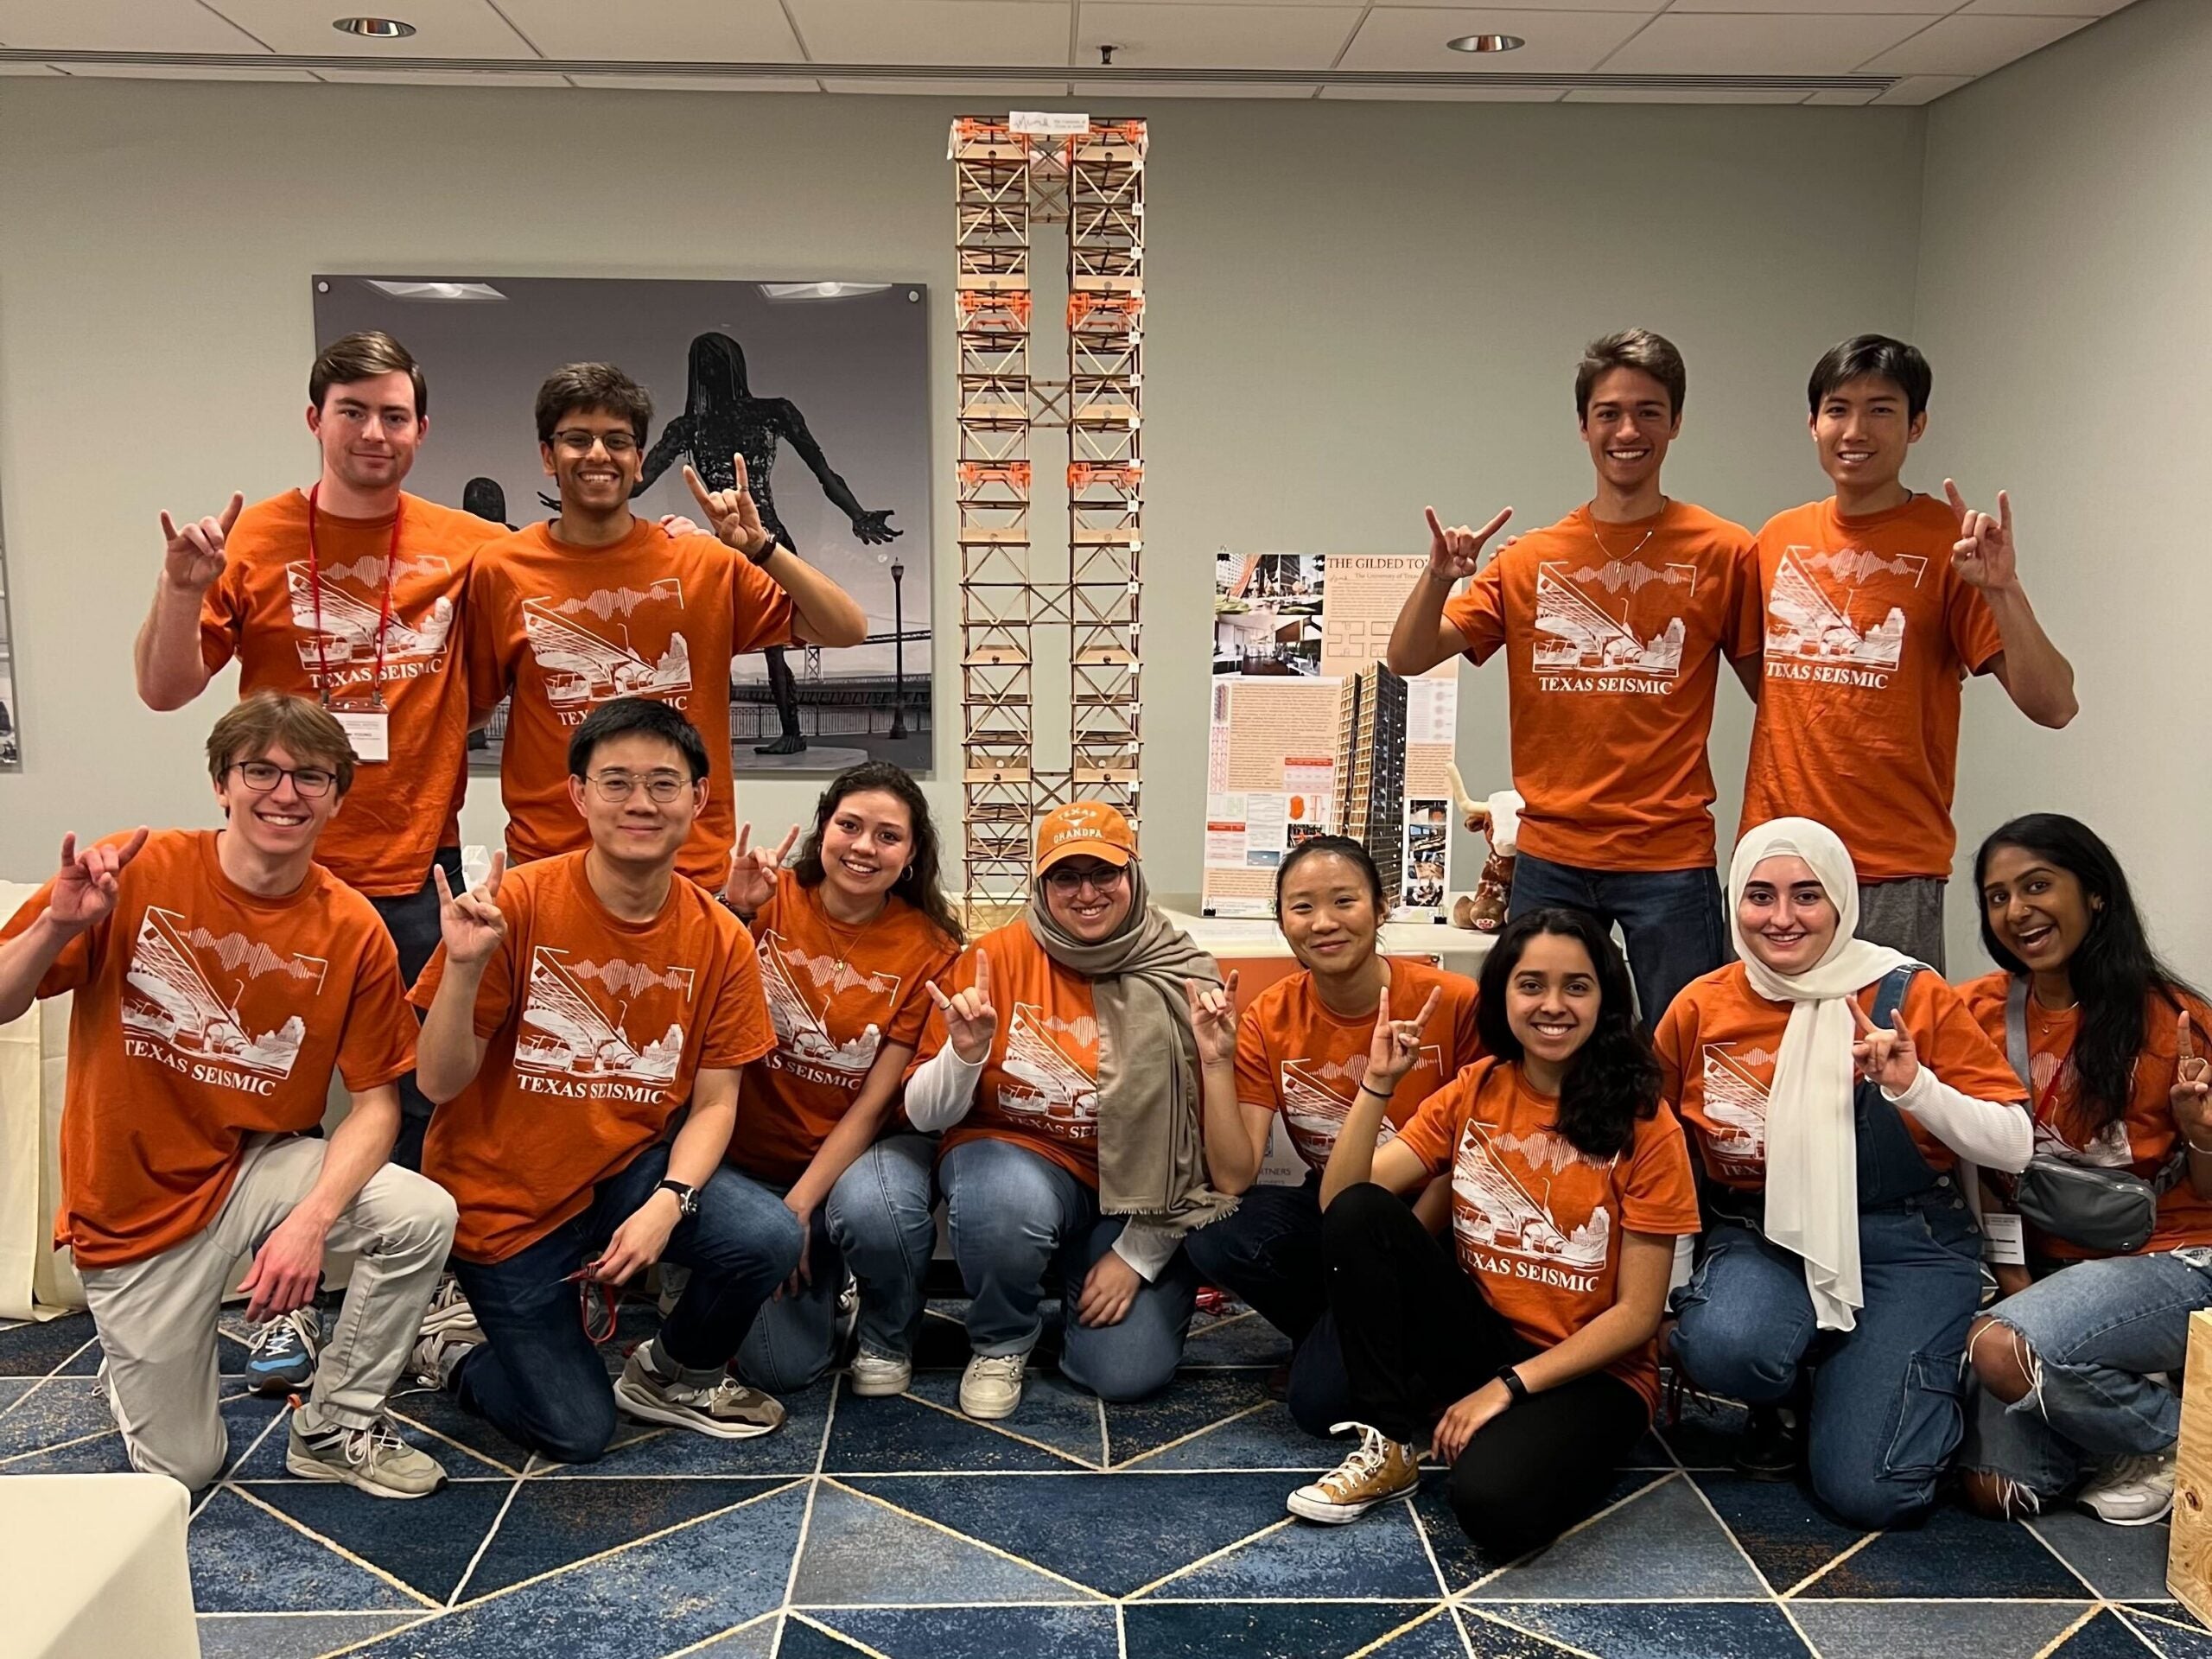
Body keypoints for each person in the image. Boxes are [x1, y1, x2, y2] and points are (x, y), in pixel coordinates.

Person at [130, 333, 496, 1392]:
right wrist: (180, 587)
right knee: (270, 1094)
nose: (374, 432)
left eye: (394, 415)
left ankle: (420, 1296)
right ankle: (276, 1304)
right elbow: (164, 688)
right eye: (352, 412)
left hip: (417, 873)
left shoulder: (470, 546)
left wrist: (660, 541)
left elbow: (573, 583)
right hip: (277, 872)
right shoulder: (252, 538)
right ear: (314, 421)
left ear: (421, 430)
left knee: (426, 1101)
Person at [0, 694, 458, 1497]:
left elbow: (379, 1104)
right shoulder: (139, 870)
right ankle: (138, 1371)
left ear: (337, 798)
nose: (285, 794)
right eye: (261, 771)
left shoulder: (352, 926)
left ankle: (335, 1425)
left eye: (311, 776)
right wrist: (57, 929)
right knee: (186, 1468)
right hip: (132, 1206)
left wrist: (310, 1224)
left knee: (419, 1213)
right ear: (222, 784)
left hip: (255, 1171)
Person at [407, 698, 797, 1461]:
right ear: (579, 795)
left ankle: (673, 1373)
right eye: (616, 782)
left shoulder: (719, 936)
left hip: (622, 1174)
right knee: (575, 1431)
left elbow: (716, 1104)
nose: (640, 803)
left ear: (698, 799)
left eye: (663, 783)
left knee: (768, 1234)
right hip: (505, 1204)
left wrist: (668, 1204)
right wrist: (463, 969)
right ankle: (451, 1350)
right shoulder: (517, 905)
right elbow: (438, 1084)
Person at [1284, 909, 1700, 1555]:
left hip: (1596, 1371)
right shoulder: (1476, 1088)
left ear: (1606, 1000)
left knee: (1492, 1508)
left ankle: (1541, 1434)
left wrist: (1506, 1388)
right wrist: (1377, 1084)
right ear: (1503, 994)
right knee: (1363, 1213)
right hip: (1482, 1335)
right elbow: (1342, 1200)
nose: (1552, 1005)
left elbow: (1637, 1316)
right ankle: (1390, 1444)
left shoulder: (1647, 1124)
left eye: (1576, 987)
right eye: (1531, 985)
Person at [1656, 817, 2031, 1527]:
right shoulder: (1701, 1005)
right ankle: (1804, 1389)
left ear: (1841, 901)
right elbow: (1664, 1152)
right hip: (1766, 1236)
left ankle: (1902, 1381)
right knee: (1725, 1346)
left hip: (1905, 1243)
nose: (1782, 918)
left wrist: (1915, 1087)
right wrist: (1671, 1290)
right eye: (1760, 896)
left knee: (1873, 1494)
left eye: (1807, 895)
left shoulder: (1908, 992)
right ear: (1736, 903)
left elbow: (2013, 1144)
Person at [1387, 329, 1760, 1028]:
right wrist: (1438, 578)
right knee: (1542, 1047)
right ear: (1584, 426)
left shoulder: (1724, 551)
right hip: (1551, 855)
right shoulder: (1531, 558)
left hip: (1670, 854)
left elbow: (1777, 694)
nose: (1628, 431)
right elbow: (1408, 657)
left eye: (1649, 412)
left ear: (1676, 422)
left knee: (1685, 1045)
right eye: (1609, 413)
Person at [1738, 334, 2077, 968]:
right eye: (1838, 409)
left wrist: (2003, 590)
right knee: (1765, 1035)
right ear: (1812, 423)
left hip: (1893, 867)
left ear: (1916, 425)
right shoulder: (1777, 538)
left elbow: (2054, 705)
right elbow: (1772, 683)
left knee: (1893, 1034)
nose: (1855, 430)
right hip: (1778, 861)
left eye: (1882, 410)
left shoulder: (1951, 543)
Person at [464, 362, 867, 893]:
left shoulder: (702, 562)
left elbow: (845, 628)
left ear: (638, 461)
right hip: (549, 869)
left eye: (617, 441)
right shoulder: (501, 569)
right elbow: (473, 708)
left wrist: (761, 547)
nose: (598, 454)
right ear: (547, 456)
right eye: (578, 439)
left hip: (689, 870)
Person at [902, 802, 1232, 1420]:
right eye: (1066, 877)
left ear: (1133, 874)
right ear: (1042, 884)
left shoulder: (1185, 974)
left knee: (1125, 1373)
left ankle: (1081, 1281)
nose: (1087, 893)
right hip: (1021, 1163)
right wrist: (965, 1055)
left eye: (1104, 873)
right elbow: (924, 1116)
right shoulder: (994, 959)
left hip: (1135, 1199)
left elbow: (1199, 1142)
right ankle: (1001, 1340)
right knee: (1002, 1200)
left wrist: (1138, 1255)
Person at [1956, 815, 2212, 1527]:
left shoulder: (2175, 1021)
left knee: (2001, 1347)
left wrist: (2203, 1139)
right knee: (1997, 1492)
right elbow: (1983, 1170)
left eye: (2037, 886)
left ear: (2095, 893)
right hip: (2050, 1269)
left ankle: (2177, 1441)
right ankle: (2112, 1405)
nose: (2017, 911)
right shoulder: (1974, 1014)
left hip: (2177, 1259)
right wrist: (2014, 1281)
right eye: (1998, 897)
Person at [1185, 836, 1483, 1431]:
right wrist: (1216, 1062)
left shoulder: (1452, 1002)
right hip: (1335, 1202)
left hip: (1440, 1218)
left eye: (1344, 901)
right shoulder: (1271, 1016)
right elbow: (1235, 1177)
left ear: (1381, 908)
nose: (1323, 922)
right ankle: (1350, 1330)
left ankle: (1398, 1347)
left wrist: (1391, 1243)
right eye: (1302, 907)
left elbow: (1476, 1152)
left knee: (1318, 1404)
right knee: (1215, 1231)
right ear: (1282, 923)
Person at [718, 762, 963, 1398]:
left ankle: (886, 1328)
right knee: (782, 1370)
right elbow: (698, 1023)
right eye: (849, 826)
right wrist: (733, 911)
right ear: (823, 828)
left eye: (888, 836)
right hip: (748, 1160)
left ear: (911, 854)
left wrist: (797, 1208)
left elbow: (875, 1102)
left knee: (872, 1209)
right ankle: (795, 1268)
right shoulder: (766, 898)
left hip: (854, 1155)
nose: (864, 847)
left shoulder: (930, 947)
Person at [635, 331, 903, 756]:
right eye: (705, 363)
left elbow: (823, 472)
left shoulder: (755, 415)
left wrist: (857, 514)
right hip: (729, 544)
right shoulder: (697, 425)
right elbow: (640, 480)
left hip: (764, 541)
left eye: (716, 362)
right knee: (714, 644)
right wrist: (588, 495)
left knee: (769, 647)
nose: (711, 371)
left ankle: (786, 732)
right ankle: (717, 736)